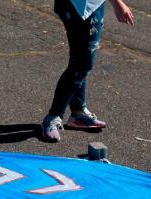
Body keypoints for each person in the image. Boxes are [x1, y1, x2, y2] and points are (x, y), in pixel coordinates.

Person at [40, 0, 135, 143]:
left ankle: (78, 113)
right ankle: (53, 117)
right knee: (82, 64)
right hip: (77, 6)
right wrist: (118, 4)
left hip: (90, 6)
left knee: (80, 60)